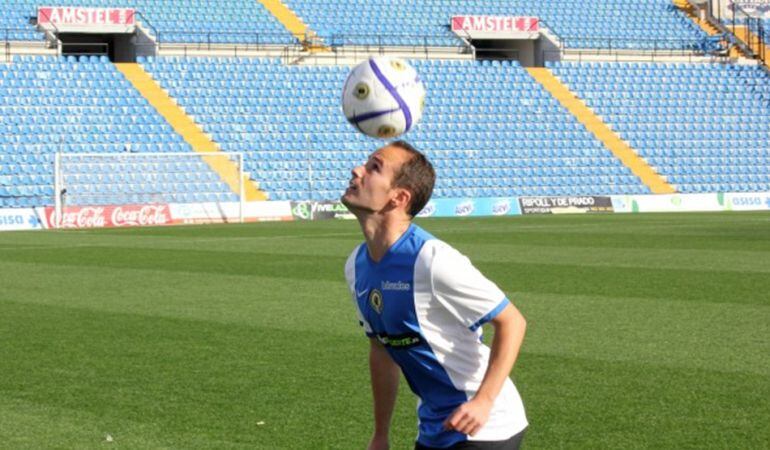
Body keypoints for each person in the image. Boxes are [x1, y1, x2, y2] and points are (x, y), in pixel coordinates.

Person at [341, 141, 528, 450]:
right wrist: (380, 434)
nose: (356, 170)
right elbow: (382, 350)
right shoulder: (356, 266)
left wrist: (483, 401)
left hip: (485, 426)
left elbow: (513, 322)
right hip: (435, 427)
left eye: (374, 167)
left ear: (398, 198)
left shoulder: (432, 259)